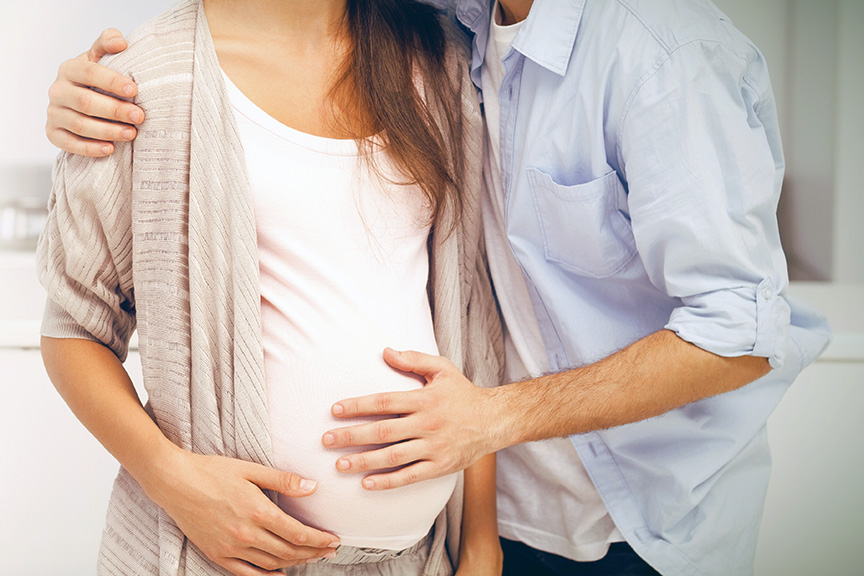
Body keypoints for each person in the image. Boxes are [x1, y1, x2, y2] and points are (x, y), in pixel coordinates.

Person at [45, 0, 833, 575]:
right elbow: (76, 322)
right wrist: (168, 476)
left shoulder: (642, 54)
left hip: (628, 530)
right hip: (419, 528)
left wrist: (481, 508)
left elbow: (737, 326)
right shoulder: (458, 30)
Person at [37, 1, 505, 575]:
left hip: (420, 561)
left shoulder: (439, 59)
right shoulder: (144, 81)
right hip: (212, 558)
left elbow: (469, 314)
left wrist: (481, 542)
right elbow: (74, 328)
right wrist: (169, 478)